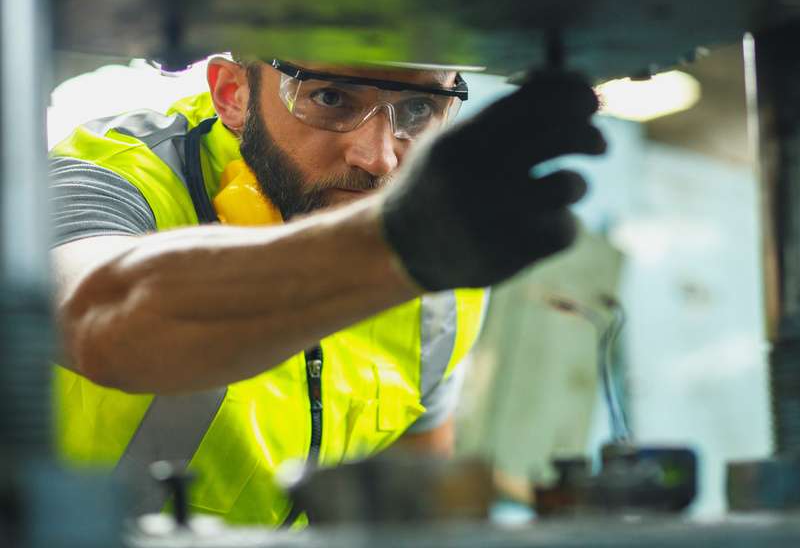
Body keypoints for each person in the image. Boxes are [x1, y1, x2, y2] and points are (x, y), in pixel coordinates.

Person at [49, 54, 604, 525]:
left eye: (418, 109)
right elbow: (99, 317)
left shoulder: (439, 275)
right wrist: (390, 245)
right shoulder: (107, 175)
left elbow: (416, 493)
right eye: (331, 98)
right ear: (233, 93)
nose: (379, 158)